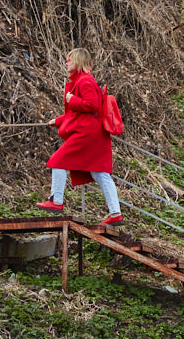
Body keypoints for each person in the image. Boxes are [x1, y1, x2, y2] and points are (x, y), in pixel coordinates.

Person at [35, 48, 123, 226]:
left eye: (69, 59)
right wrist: (59, 120)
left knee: (58, 160)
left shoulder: (84, 81)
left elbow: (91, 105)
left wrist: (70, 99)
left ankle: (56, 201)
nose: (66, 62)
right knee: (100, 173)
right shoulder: (83, 81)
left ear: (78, 61)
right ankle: (115, 214)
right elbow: (80, 113)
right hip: (94, 133)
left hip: (87, 133)